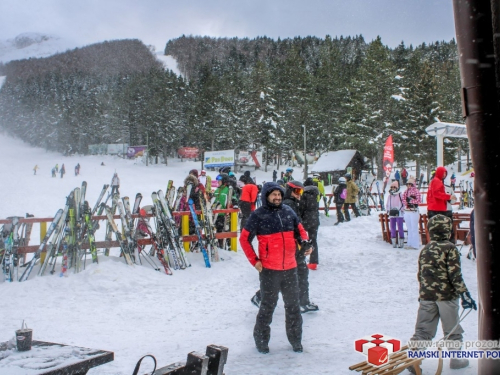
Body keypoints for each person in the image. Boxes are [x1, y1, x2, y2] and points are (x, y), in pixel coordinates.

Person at [240, 182, 311, 354]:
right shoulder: (258, 215)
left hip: (290, 268)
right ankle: (262, 341)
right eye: (274, 195)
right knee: (267, 307)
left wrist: (305, 243)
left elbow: (301, 231)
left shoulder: (288, 211)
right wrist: (254, 261)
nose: (277, 198)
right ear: (266, 196)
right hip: (269, 271)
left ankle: (296, 341)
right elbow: (244, 239)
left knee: (293, 307)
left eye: (279, 195)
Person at [408, 214, 477, 373]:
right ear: (448, 230)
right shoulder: (450, 249)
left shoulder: (425, 249)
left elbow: (420, 275)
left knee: (423, 329)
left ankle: (414, 357)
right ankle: (456, 359)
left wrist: (425, 292)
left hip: (427, 296)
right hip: (446, 297)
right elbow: (455, 276)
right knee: (452, 329)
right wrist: (465, 295)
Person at [427, 166, 457, 243]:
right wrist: (448, 196)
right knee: (444, 230)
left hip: (434, 208)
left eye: (445, 173)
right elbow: (436, 194)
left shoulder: (434, 181)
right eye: (443, 173)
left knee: (436, 231)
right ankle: (447, 246)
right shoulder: (437, 181)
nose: (444, 175)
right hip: (438, 209)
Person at [301, 179, 320, 270]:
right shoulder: (316, 194)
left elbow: (302, 208)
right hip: (315, 220)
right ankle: (313, 262)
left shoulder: (304, 195)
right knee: (313, 240)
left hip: (305, 220)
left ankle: (300, 259)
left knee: (300, 239)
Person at [402, 178, 421, 250]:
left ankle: (415, 244)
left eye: (410, 184)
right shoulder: (405, 192)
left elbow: (419, 201)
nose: (409, 186)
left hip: (414, 211)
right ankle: (409, 243)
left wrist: (411, 201)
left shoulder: (416, 191)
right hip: (407, 211)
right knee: (409, 228)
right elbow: (403, 200)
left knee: (414, 228)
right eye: (408, 184)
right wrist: (407, 202)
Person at [385, 181, 405, 248]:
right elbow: (387, 204)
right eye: (392, 187)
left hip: (399, 214)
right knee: (392, 227)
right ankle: (393, 242)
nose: (393, 188)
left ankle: (401, 242)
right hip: (392, 213)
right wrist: (388, 210)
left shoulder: (400, 195)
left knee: (400, 227)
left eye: (394, 187)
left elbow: (403, 203)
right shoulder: (390, 196)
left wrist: (401, 209)